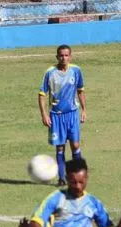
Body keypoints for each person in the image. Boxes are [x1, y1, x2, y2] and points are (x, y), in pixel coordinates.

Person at [39, 44, 87, 186]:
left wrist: (84, 110)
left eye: (66, 55)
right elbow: (42, 94)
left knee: (75, 145)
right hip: (56, 116)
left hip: (72, 114)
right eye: (61, 55)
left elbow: (80, 91)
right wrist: (44, 115)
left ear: (70, 57)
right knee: (60, 147)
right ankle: (61, 178)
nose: (63, 58)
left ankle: (78, 175)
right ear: (57, 57)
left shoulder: (76, 71)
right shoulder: (50, 73)